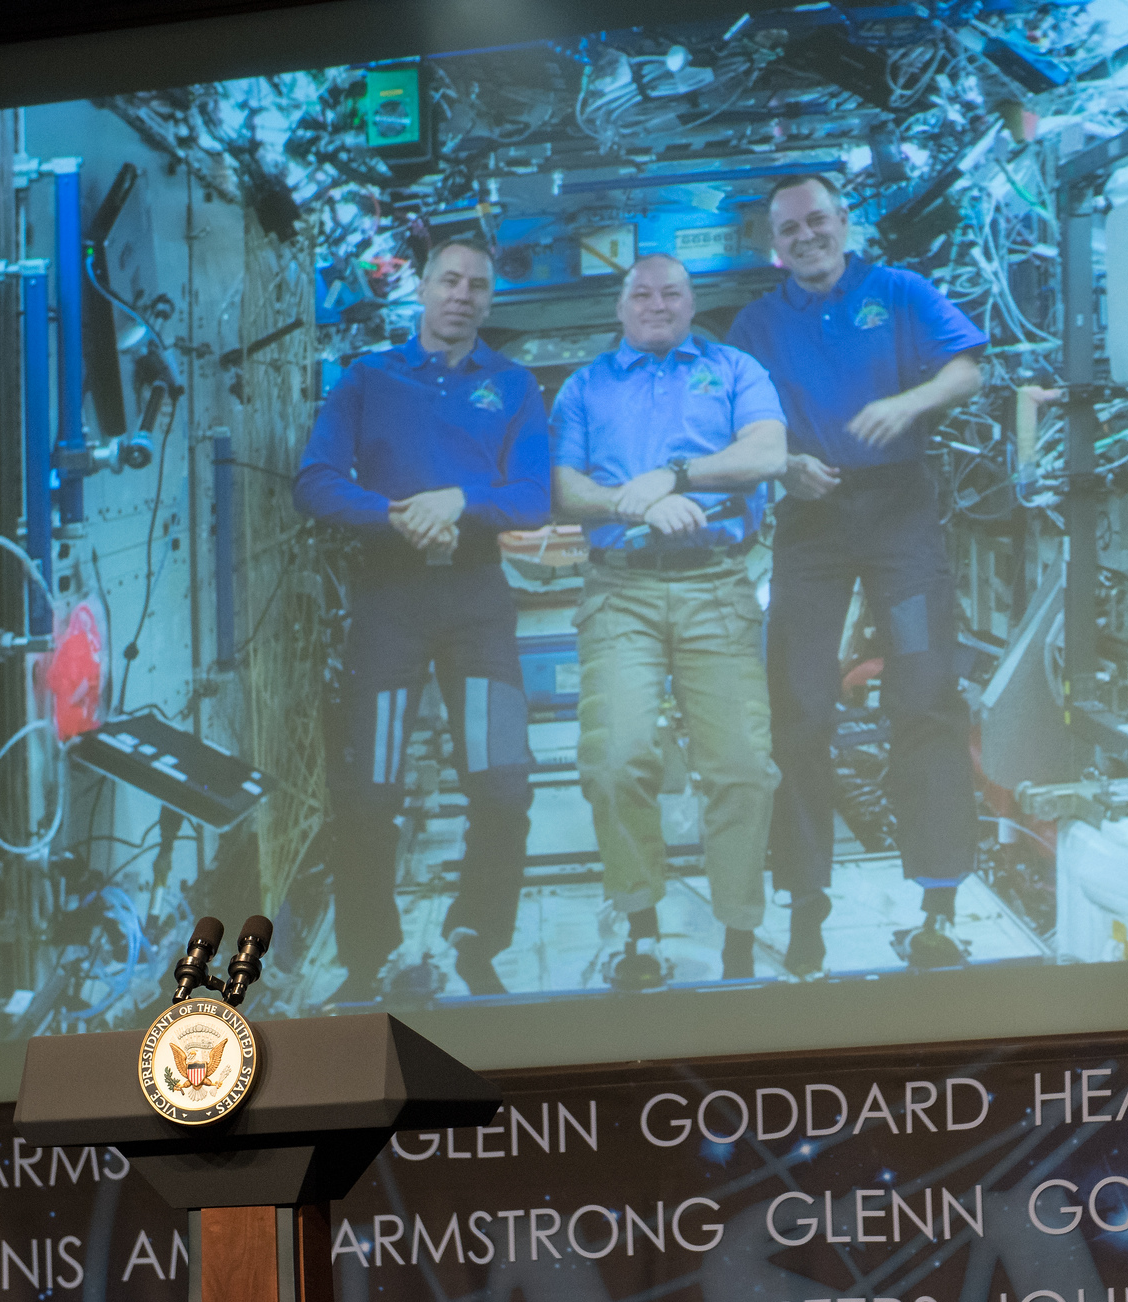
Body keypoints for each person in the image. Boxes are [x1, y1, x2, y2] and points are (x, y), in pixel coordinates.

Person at [725, 173, 986, 976]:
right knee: (799, 707)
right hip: (812, 523)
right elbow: (743, 426)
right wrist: (785, 466)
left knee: (924, 694)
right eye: (789, 229)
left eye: (816, 220)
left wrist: (908, 404)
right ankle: (807, 904)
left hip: (898, 514)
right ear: (775, 245)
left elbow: (966, 369)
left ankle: (938, 906)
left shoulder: (899, 292)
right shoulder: (757, 324)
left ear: (844, 221)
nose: (805, 236)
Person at [294, 237, 548, 1004]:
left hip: (475, 601)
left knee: (502, 786)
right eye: (449, 280)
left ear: (488, 301)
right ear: (424, 291)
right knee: (369, 792)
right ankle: (368, 956)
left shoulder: (512, 386)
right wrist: (398, 516)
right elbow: (316, 483)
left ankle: (479, 939)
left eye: (477, 285)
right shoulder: (368, 378)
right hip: (390, 603)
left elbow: (533, 496)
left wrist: (459, 502)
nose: (461, 295)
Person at [552, 254, 788, 987]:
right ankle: (641, 928)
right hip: (620, 592)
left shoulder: (735, 370)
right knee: (617, 761)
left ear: (692, 305)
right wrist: (640, 503)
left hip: (716, 584)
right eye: (642, 294)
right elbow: (564, 485)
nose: (657, 304)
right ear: (620, 309)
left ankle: (739, 931)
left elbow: (768, 451)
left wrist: (678, 476)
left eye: (673, 293)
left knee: (743, 769)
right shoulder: (585, 386)